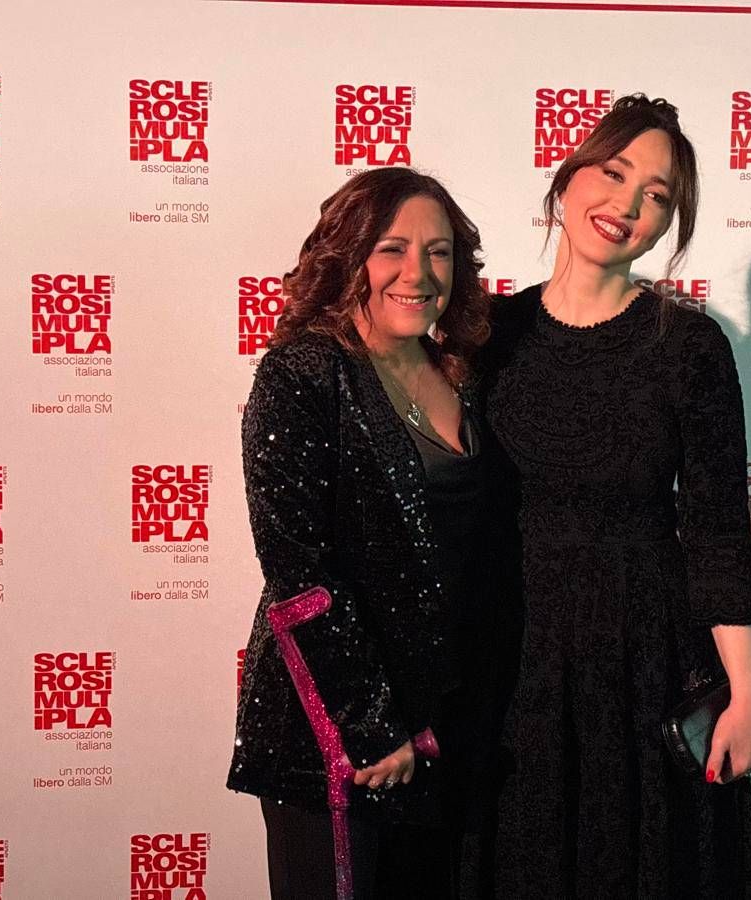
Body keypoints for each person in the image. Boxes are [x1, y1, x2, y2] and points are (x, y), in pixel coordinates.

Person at [484, 95, 751, 898]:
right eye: (614, 174)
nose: (629, 205)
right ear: (568, 178)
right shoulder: (486, 334)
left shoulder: (690, 346)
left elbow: (716, 529)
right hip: (513, 658)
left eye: (657, 195)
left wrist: (747, 690)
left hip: (644, 658)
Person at [228, 167, 514, 899]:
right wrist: (370, 726)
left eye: (440, 252)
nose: (419, 273)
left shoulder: (461, 370)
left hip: (446, 728)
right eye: (393, 249)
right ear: (348, 255)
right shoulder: (301, 373)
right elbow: (299, 573)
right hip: (337, 738)